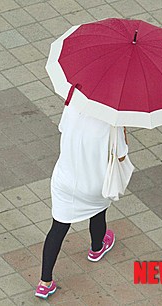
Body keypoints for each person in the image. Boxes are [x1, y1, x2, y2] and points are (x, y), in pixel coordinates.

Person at [35, 106, 128, 299]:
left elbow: (63, 129)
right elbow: (121, 155)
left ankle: (44, 283)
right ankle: (96, 248)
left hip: (65, 180)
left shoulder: (73, 105)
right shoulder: (113, 120)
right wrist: (123, 128)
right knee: (98, 212)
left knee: (58, 227)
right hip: (94, 183)